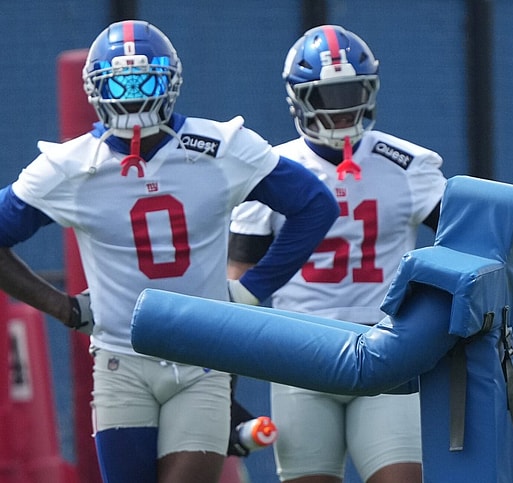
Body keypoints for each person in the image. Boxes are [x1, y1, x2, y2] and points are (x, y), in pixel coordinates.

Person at [0, 20, 338, 483]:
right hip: (120, 358)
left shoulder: (221, 147)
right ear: (96, 90)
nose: (134, 95)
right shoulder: (72, 165)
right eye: (121, 83)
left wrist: (251, 292)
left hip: (201, 357)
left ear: (171, 82)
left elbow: (315, 205)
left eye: (146, 81)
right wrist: (62, 308)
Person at [228, 25, 446, 483]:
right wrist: (222, 382)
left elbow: (461, 248)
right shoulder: (269, 170)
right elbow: (237, 286)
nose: (341, 107)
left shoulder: (408, 164)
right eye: (326, 95)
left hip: (385, 346)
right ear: (298, 98)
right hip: (298, 347)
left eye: (350, 92)